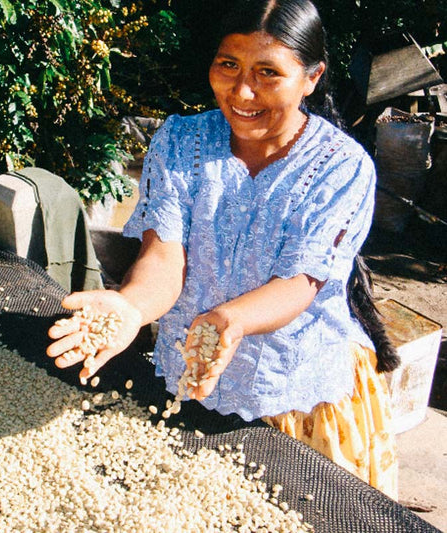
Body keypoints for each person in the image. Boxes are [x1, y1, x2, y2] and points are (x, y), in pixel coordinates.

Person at [47, 0, 399, 499]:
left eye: (268, 73)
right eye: (228, 64)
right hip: (188, 377)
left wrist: (229, 321)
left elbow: (302, 281)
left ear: (312, 77)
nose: (242, 91)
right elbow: (165, 255)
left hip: (293, 393)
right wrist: (131, 305)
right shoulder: (181, 142)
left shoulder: (342, 167)